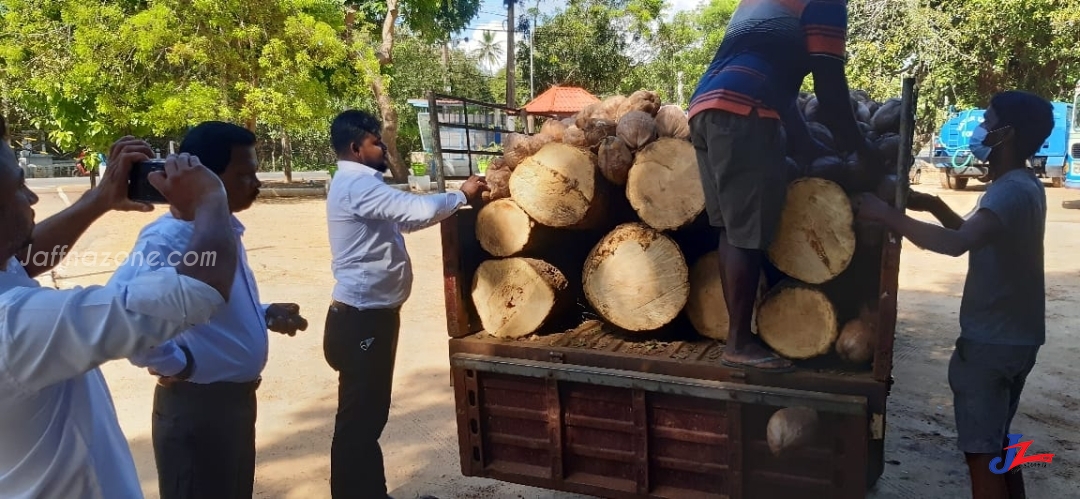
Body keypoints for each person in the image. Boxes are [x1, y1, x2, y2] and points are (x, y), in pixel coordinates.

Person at [0, 119, 239, 497]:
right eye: (17, 186)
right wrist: (212, 197)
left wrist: (100, 199)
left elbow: (23, 258)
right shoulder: (16, 325)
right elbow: (200, 290)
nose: (31, 198)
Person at [855, 91, 1053, 499]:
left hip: (990, 344)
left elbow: (957, 243)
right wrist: (928, 202)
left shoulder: (1008, 191)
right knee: (998, 442)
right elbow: (975, 232)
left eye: (988, 121)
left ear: (1007, 134)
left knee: (980, 457)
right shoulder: (1025, 186)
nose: (981, 129)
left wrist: (886, 213)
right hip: (1018, 338)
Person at [108, 121, 309, 499]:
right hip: (198, 410)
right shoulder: (167, 238)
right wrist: (176, 364)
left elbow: (205, 306)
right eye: (243, 174)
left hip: (229, 407)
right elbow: (123, 315)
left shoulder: (220, 229)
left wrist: (261, 313)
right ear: (206, 180)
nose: (256, 183)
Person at [686, 0, 879, 372]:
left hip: (705, 109)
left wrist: (810, 146)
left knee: (731, 229)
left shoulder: (757, 4)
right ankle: (739, 343)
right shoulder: (825, 4)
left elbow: (781, 92)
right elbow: (831, 89)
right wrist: (861, 148)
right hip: (746, 113)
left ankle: (737, 337)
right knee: (748, 234)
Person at [323, 110, 488, 499]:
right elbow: (415, 210)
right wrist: (461, 195)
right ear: (355, 147)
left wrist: (454, 203)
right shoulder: (355, 185)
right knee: (359, 422)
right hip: (362, 321)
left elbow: (407, 221)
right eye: (376, 142)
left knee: (366, 418)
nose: (382, 147)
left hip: (368, 319)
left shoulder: (360, 185)